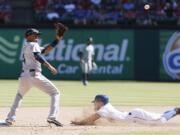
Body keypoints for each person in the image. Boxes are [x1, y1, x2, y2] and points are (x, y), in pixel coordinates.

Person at [4, 23, 68, 126]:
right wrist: (50, 66)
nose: (37, 36)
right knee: (55, 93)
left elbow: (45, 50)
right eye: (34, 34)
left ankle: (10, 118)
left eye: (37, 35)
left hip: (24, 76)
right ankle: (52, 117)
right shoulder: (33, 45)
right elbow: (38, 56)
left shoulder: (27, 45)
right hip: (34, 75)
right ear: (28, 36)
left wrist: (57, 40)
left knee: (19, 95)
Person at [71, 94, 180, 125]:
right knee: (159, 117)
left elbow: (91, 119)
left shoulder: (104, 109)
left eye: (95, 102)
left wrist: (78, 123)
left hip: (135, 116)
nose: (94, 104)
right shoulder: (108, 107)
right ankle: (174, 111)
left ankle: (176, 110)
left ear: (100, 102)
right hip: (134, 115)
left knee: (160, 121)